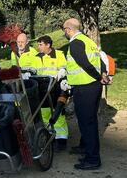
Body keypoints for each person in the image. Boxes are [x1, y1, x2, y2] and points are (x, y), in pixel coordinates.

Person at [62, 18, 109, 170]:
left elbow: (85, 64)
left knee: (87, 123)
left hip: (85, 88)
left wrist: (99, 77)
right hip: (93, 88)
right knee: (88, 120)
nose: (64, 32)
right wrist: (103, 74)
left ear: (69, 29)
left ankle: (93, 159)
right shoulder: (88, 41)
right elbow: (101, 60)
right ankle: (84, 146)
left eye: (64, 29)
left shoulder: (75, 43)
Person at [32, 35, 69, 151]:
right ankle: (50, 137)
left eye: (40, 44)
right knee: (44, 114)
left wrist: (61, 73)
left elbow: (64, 67)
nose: (38, 47)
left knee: (58, 114)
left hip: (56, 88)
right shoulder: (36, 57)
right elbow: (34, 70)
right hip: (42, 89)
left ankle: (61, 140)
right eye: (38, 44)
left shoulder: (59, 54)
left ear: (48, 45)